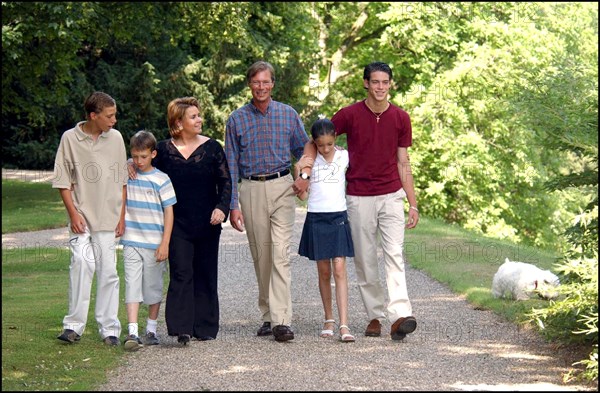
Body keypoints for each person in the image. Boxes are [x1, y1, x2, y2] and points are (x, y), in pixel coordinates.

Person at [293, 61, 420, 341]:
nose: (380, 87)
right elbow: (316, 140)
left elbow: (403, 162)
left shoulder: (401, 118)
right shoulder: (350, 114)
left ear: (390, 85)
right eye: (375, 82)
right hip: (359, 196)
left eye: (385, 82)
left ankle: (400, 315)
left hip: (390, 195)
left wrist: (412, 202)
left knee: (394, 254)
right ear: (366, 83)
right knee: (364, 259)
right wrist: (305, 172)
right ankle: (374, 316)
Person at [225, 60, 309, 342]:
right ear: (250, 84)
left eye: (266, 82)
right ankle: (267, 315)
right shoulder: (236, 119)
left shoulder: (288, 114)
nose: (261, 87)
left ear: (273, 84)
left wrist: (305, 176)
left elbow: (305, 149)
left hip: (283, 187)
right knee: (262, 256)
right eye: (256, 82)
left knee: (280, 255)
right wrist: (232, 204)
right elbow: (231, 164)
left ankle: (282, 321)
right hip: (251, 188)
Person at [153, 97, 231, 345]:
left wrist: (221, 208)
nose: (200, 120)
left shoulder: (212, 147)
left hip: (208, 222)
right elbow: (145, 166)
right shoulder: (163, 150)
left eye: (199, 115)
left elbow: (226, 182)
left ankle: (205, 326)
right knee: (181, 272)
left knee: (205, 272)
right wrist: (131, 164)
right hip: (176, 224)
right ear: (178, 122)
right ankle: (181, 328)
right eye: (193, 116)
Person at [53, 91, 127, 346]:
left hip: (109, 216)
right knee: (81, 266)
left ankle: (109, 329)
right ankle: (73, 327)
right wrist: (73, 214)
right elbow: (62, 181)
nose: (114, 120)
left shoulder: (115, 138)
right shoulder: (69, 139)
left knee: (108, 272)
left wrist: (122, 216)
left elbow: (122, 181)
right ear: (93, 116)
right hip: (82, 215)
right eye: (109, 115)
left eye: (114, 115)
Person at [296, 118, 356, 342]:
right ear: (314, 143)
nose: (326, 149)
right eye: (321, 145)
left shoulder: (344, 156)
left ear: (336, 140)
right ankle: (328, 318)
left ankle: (344, 323)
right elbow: (301, 195)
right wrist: (300, 171)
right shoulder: (309, 162)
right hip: (317, 216)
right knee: (324, 271)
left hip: (338, 216)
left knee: (340, 268)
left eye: (330, 144)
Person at [120, 130, 176, 351]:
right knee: (132, 285)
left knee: (153, 286)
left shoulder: (161, 179)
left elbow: (169, 213)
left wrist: (165, 243)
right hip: (131, 240)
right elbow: (112, 166)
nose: (138, 161)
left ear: (153, 154)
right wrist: (126, 163)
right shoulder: (128, 173)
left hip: (155, 243)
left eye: (143, 157)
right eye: (134, 156)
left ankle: (151, 329)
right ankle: (132, 330)